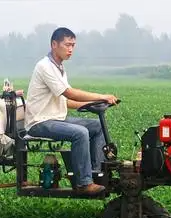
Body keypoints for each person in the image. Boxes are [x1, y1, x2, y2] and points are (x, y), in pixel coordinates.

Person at [24, 27, 119, 195]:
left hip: (56, 118)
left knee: (97, 126)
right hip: (40, 122)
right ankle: (84, 183)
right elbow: (68, 92)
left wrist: (93, 103)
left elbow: (66, 100)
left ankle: (95, 172)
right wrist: (102, 96)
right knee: (80, 133)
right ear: (54, 44)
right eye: (67, 45)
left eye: (73, 45)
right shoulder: (45, 66)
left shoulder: (59, 67)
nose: (71, 49)